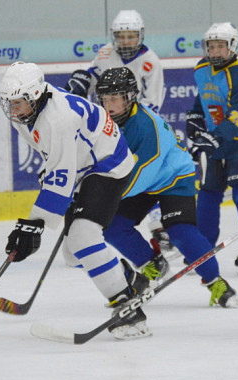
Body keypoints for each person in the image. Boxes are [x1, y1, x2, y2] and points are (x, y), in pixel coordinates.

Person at [0, 61, 152, 340]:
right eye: (9, 103)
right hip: (84, 163)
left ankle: (128, 307)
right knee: (72, 253)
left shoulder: (58, 118)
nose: (13, 110)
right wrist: (35, 223)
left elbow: (60, 176)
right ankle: (130, 279)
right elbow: (55, 160)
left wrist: (33, 226)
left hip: (108, 163)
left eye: (18, 103)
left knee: (83, 237)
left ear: (34, 96)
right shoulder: (29, 113)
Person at [97, 67, 238, 309]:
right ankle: (153, 264)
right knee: (113, 227)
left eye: (115, 98)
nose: (108, 105)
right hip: (141, 179)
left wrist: (102, 196)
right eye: (104, 99)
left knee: (181, 233)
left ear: (130, 97)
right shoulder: (103, 121)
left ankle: (216, 282)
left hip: (174, 176)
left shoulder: (145, 125)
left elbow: (144, 172)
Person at [63, 9, 169, 251]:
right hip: (108, 124)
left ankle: (158, 227)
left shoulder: (151, 60)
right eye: (122, 36)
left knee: (142, 174)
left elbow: (153, 101)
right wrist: (81, 79)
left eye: (131, 36)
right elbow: (90, 79)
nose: (126, 41)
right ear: (114, 36)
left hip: (136, 125)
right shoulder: (105, 53)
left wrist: (131, 121)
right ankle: (87, 223)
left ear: (140, 35)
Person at [185, 22, 238, 276]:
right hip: (219, 138)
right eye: (211, 46)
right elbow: (204, 98)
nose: (215, 52)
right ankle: (203, 248)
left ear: (232, 47)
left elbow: (237, 117)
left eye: (221, 46)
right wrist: (196, 118)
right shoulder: (201, 68)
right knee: (208, 193)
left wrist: (213, 138)